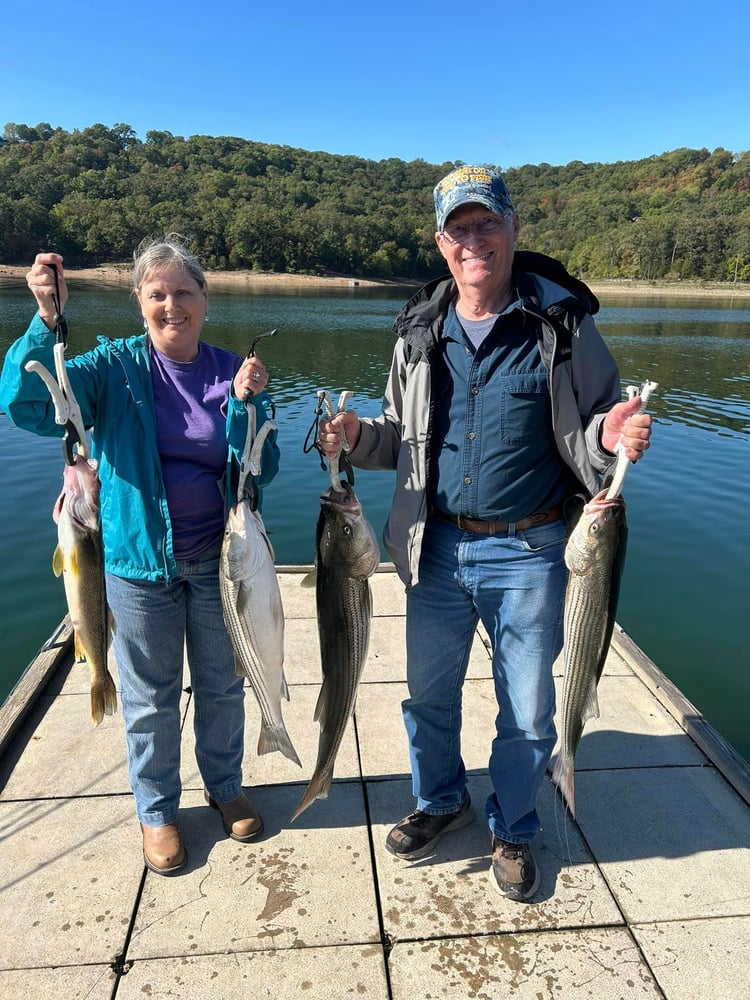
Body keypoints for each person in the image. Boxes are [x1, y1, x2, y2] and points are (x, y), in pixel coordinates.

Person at [318, 165, 651, 902]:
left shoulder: (564, 325)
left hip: (531, 551)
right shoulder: (417, 330)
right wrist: (353, 434)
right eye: (459, 230)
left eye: (487, 224)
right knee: (426, 698)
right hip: (435, 547)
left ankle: (515, 821)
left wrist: (617, 432)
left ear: (512, 231)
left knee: (528, 708)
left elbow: (595, 431)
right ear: (442, 244)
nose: (475, 241)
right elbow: (398, 436)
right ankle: (441, 800)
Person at [0, 235, 280, 875]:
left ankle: (223, 782)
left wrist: (247, 406)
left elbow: (262, 470)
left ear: (206, 300)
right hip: (134, 566)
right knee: (149, 694)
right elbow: (28, 406)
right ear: (139, 301)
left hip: (218, 564)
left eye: (184, 292)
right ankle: (157, 810)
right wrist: (47, 323)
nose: (171, 305)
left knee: (221, 684)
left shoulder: (233, 369)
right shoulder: (109, 369)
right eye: (158, 294)